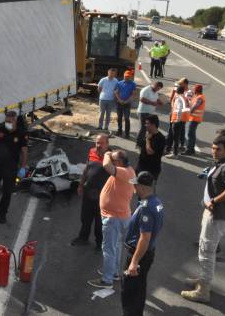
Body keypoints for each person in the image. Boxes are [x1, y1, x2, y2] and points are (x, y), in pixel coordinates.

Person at [181, 136, 225, 303]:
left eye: (218, 149)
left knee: (207, 251)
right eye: (213, 148)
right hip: (210, 213)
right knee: (204, 249)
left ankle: (203, 290)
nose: (214, 151)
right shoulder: (219, 163)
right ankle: (202, 280)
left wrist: (214, 201)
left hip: (216, 216)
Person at [88, 150, 136, 289]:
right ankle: (114, 272)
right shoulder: (130, 171)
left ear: (119, 163)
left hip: (113, 217)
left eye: (114, 160)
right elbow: (132, 188)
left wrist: (107, 154)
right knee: (116, 246)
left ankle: (107, 280)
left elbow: (107, 166)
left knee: (108, 248)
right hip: (121, 216)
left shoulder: (123, 172)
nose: (111, 161)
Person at [121, 171, 164, 316]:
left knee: (130, 291)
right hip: (147, 253)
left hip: (139, 254)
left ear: (143, 187)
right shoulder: (156, 202)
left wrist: (134, 262)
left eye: (136, 185)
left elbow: (144, 238)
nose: (134, 187)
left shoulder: (146, 207)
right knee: (139, 288)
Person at [71, 134, 110, 250]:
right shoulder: (92, 151)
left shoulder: (112, 158)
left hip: (102, 196)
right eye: (97, 142)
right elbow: (86, 169)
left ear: (107, 144)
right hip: (88, 192)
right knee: (85, 217)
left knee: (100, 221)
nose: (98, 145)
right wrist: (80, 185)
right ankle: (83, 238)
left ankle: (100, 243)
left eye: (102, 143)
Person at [136, 115, 165, 183]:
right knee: (138, 187)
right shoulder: (148, 134)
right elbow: (141, 147)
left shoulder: (160, 138)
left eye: (147, 123)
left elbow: (150, 152)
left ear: (153, 125)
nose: (145, 125)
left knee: (148, 190)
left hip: (152, 169)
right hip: (141, 166)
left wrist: (148, 140)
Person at [136, 81, 164, 147]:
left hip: (150, 112)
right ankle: (138, 143)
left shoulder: (156, 91)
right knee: (143, 128)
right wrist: (152, 103)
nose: (158, 90)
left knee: (150, 128)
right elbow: (142, 99)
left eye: (159, 89)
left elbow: (156, 99)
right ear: (154, 85)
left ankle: (147, 142)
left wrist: (160, 102)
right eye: (157, 88)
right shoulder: (146, 90)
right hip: (143, 112)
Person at [167, 85, 189, 158]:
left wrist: (177, 120)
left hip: (177, 120)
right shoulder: (185, 98)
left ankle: (175, 153)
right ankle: (176, 152)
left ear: (177, 91)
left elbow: (179, 110)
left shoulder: (179, 98)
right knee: (178, 137)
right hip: (183, 120)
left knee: (175, 138)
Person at [114, 71, 137, 138]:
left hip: (127, 103)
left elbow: (133, 94)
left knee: (127, 118)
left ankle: (127, 134)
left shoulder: (133, 84)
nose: (126, 77)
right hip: (119, 103)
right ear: (123, 76)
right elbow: (116, 92)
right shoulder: (119, 83)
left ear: (130, 77)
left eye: (128, 76)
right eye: (125, 76)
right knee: (119, 118)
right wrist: (120, 100)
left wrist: (127, 101)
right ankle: (119, 131)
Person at [184, 84, 206, 155]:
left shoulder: (200, 97)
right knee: (191, 134)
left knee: (190, 134)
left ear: (197, 89)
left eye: (194, 89)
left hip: (195, 118)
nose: (193, 90)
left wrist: (188, 112)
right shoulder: (196, 96)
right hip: (193, 118)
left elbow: (195, 106)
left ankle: (189, 150)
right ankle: (191, 149)